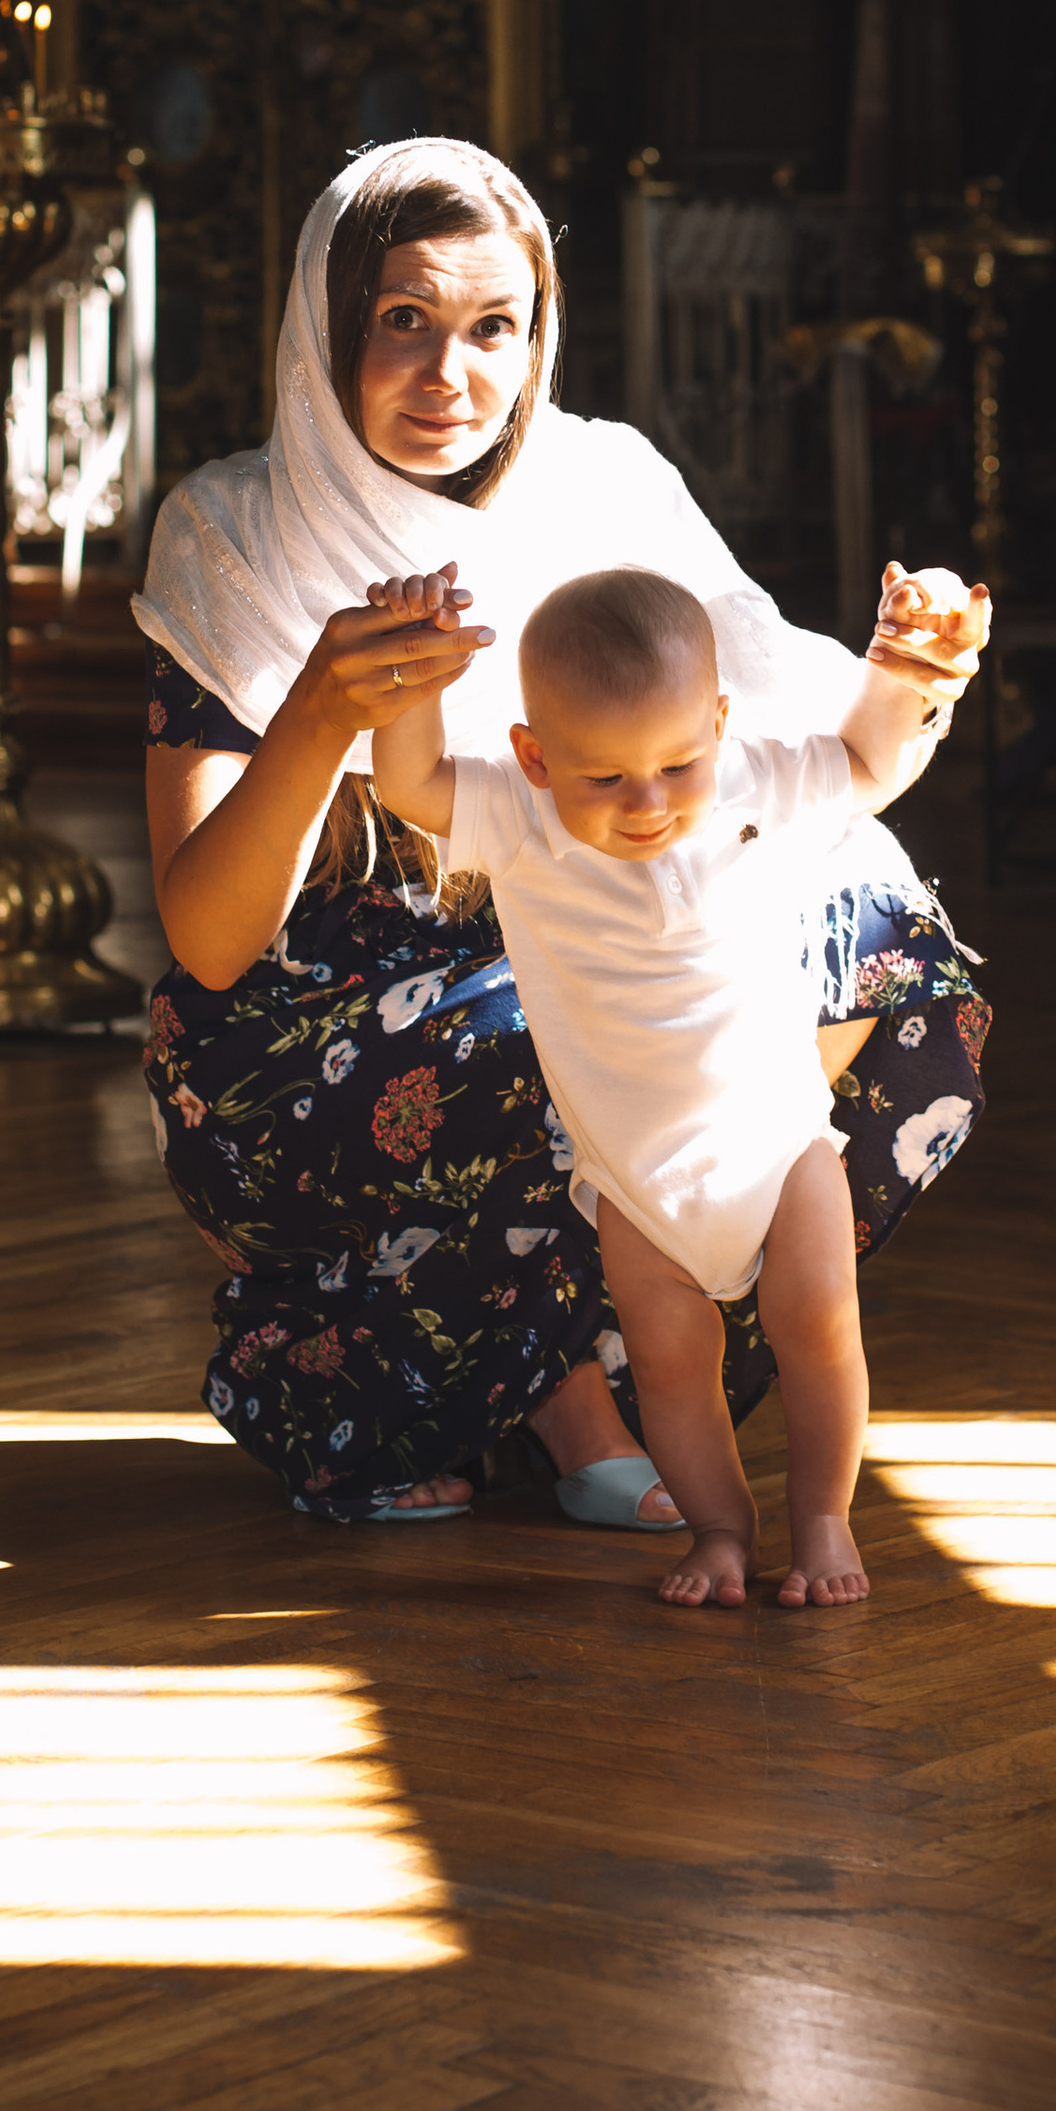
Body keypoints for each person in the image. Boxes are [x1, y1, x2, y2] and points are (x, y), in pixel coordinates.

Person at [135, 136, 994, 1527]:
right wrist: (320, 712)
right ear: (326, 325)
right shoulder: (233, 529)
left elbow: (799, 736)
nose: (450, 374)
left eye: (495, 327)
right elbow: (212, 943)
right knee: (578, 1016)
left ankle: (604, 1336)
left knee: (883, 949)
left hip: (591, 948)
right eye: (402, 321)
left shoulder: (607, 485)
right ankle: (552, 1391)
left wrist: (917, 664)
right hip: (314, 1031)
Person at [367, 560, 984, 1609]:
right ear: (536, 756)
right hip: (636, 1178)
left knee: (820, 1330)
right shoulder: (518, 815)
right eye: (605, 778)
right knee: (669, 1370)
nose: (647, 803)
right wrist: (411, 679)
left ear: (720, 724)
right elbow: (410, 784)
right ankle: (720, 1531)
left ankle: (823, 1517)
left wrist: (900, 666)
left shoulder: (750, 779)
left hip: (779, 1142)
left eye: (677, 764)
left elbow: (864, 763)